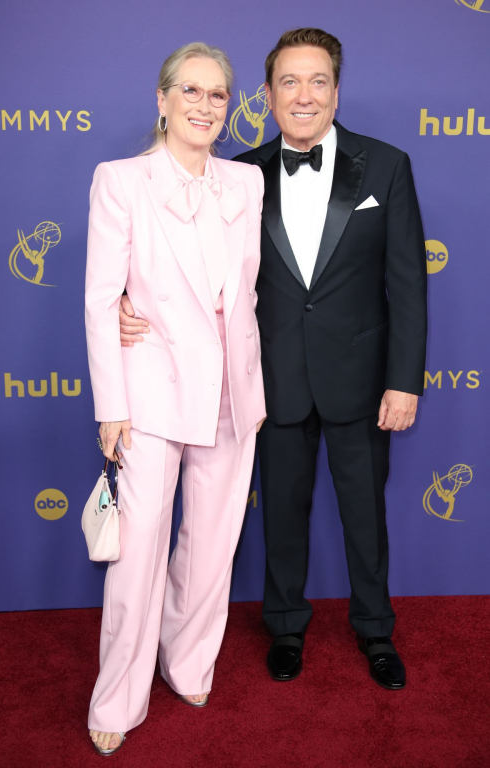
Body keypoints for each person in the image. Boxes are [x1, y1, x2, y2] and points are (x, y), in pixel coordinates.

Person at [119, 28, 427, 693]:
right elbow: (182, 267)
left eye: (318, 81)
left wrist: (405, 382)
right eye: (289, 81)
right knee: (281, 513)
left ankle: (376, 631)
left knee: (366, 517)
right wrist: (124, 300)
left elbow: (407, 283)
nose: (304, 95)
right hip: (269, 380)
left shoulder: (388, 166)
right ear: (266, 95)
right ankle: (285, 626)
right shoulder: (238, 176)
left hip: (361, 378)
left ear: (337, 90)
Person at [85, 42, 265, 756]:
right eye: (189, 91)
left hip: (231, 387)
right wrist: (111, 404)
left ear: (228, 106)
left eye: (217, 94)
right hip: (150, 392)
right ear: (162, 100)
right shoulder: (121, 180)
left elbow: (245, 293)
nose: (203, 105)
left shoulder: (244, 184)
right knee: (138, 555)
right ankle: (117, 698)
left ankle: (188, 661)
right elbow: (102, 300)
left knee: (212, 546)